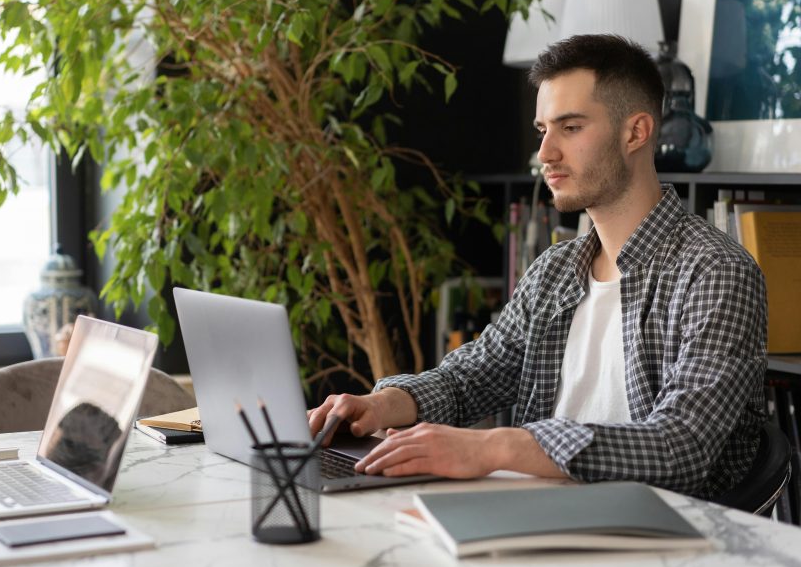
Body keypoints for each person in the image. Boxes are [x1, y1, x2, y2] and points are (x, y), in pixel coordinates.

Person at [308, 34, 768, 500]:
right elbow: (470, 378)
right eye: (542, 130)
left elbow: (681, 447)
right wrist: (384, 404)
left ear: (636, 132)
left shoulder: (716, 272)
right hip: (539, 516)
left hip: (667, 538)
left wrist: (496, 447)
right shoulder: (555, 270)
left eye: (569, 128)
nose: (545, 154)